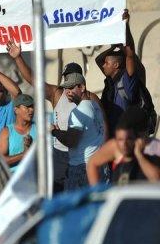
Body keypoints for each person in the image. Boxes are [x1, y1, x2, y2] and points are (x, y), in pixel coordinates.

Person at [7, 39, 107, 192]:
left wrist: (104, 154)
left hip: (85, 158)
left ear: (81, 83)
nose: (68, 85)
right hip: (61, 155)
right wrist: (17, 58)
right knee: (58, 192)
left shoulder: (92, 98)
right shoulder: (57, 93)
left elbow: (104, 127)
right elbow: (33, 81)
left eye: (72, 80)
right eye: (66, 78)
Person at [50, 73, 105, 190]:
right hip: (98, 164)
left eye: (71, 88)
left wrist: (54, 132)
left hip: (82, 168)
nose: (67, 92)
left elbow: (71, 141)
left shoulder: (78, 112)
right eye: (65, 88)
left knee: (74, 207)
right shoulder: (95, 106)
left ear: (82, 87)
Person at [96, 10, 142, 136]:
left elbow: (130, 55)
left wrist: (125, 26)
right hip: (111, 137)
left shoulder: (127, 80)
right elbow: (98, 60)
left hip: (126, 139)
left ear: (116, 65)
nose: (103, 65)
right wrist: (114, 46)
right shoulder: (111, 81)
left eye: (107, 63)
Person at [87, 107, 160, 186]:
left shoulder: (156, 147)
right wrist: (96, 192)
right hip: (123, 196)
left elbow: (157, 179)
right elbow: (92, 163)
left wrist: (139, 155)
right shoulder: (117, 146)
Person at [0, 94, 36, 172]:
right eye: (27, 107)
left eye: (32, 106)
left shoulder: (40, 129)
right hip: (14, 178)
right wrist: (23, 155)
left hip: (35, 179)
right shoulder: (6, 131)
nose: (31, 110)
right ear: (16, 110)